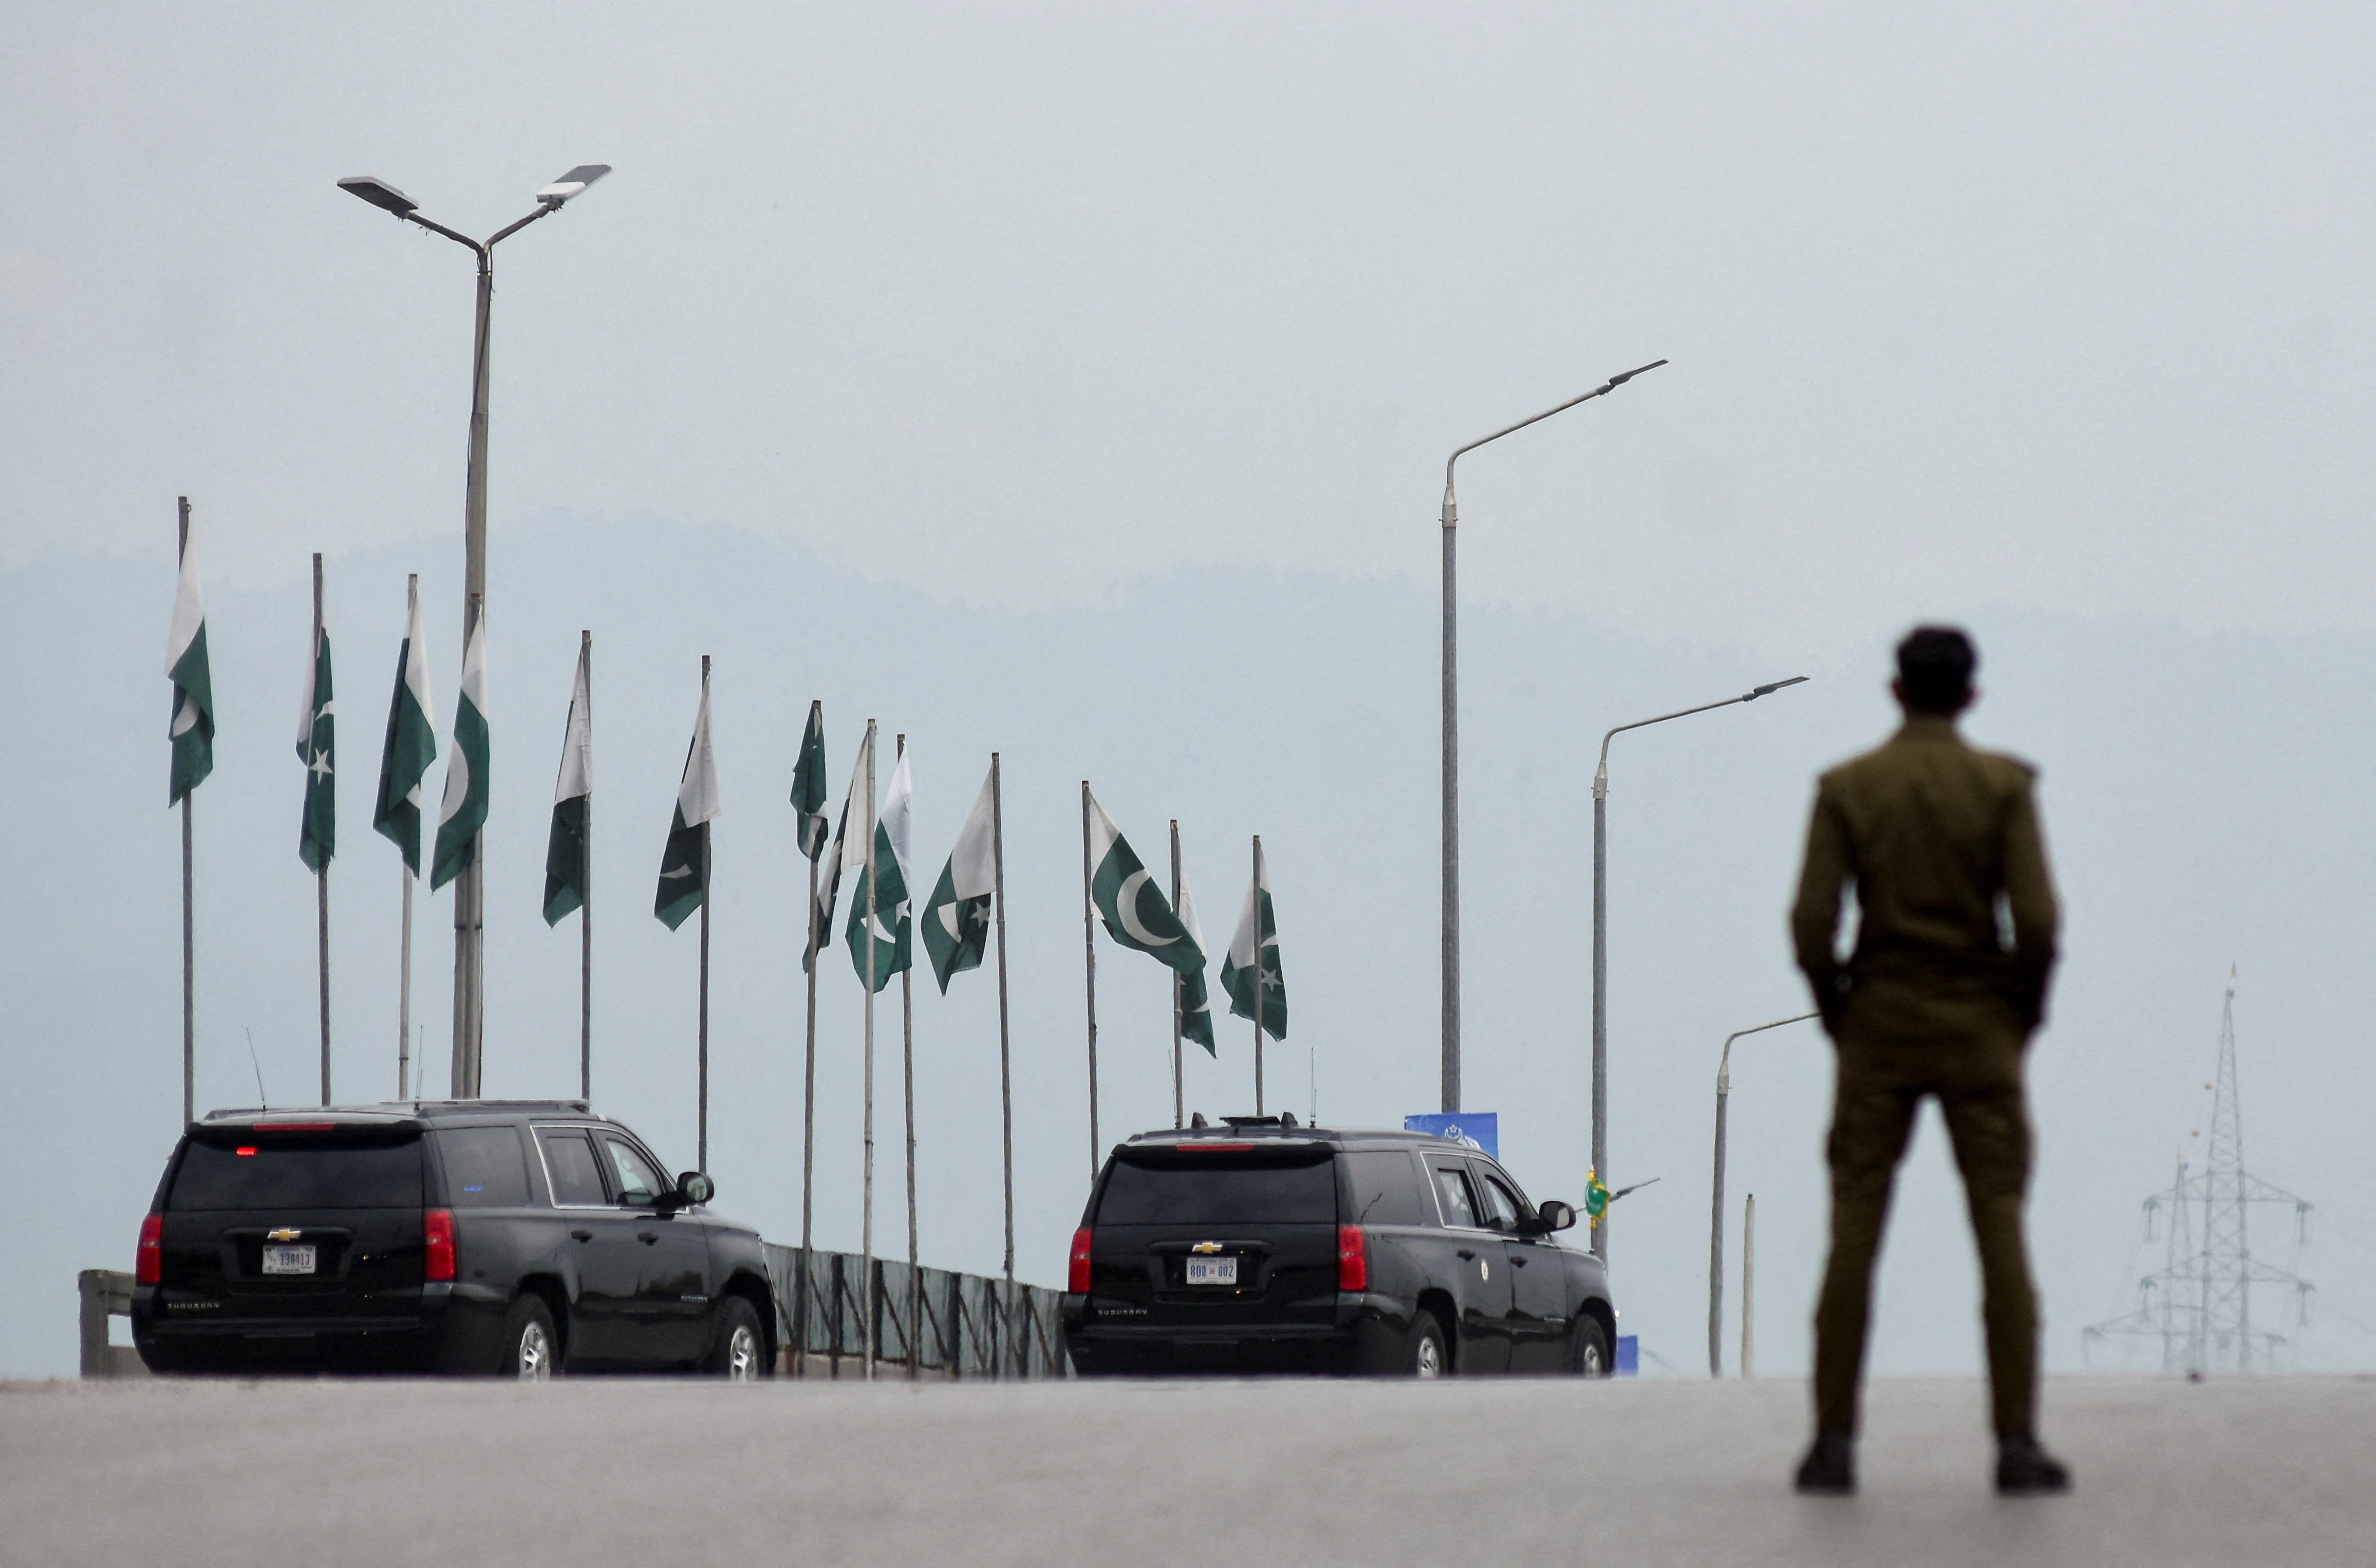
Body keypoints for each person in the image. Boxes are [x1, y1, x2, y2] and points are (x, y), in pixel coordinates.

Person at [1788, 626, 2071, 1497]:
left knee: (1853, 1232)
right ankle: (2015, 1443)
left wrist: (1839, 1009)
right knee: (1997, 1226)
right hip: (1978, 1026)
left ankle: (1832, 1443)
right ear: (1971, 696)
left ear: (1894, 690)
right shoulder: (2000, 787)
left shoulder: (1847, 788)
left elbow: (1809, 922)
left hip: (1877, 1023)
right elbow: (2038, 921)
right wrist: (2017, 1016)